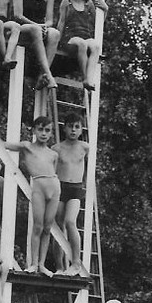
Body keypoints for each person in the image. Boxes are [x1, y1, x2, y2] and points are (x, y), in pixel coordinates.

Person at [5, 117, 60, 276]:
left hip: (54, 187)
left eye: (47, 130)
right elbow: (4, 145)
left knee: (48, 227)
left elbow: (53, 172)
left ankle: (42, 265)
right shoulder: (27, 146)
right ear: (34, 130)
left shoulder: (53, 154)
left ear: (50, 133)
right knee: (38, 226)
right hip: (38, 186)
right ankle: (33, 264)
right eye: (40, 129)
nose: (43, 133)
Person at [5, 0, 60, 90]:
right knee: (35, 29)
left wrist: (44, 26)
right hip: (22, 28)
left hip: (39, 29)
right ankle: (49, 73)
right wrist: (37, 25)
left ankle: (42, 75)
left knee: (55, 33)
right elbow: (18, 15)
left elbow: (50, 20)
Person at [55, 0, 108, 91]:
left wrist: (106, 10)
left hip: (86, 36)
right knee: (82, 44)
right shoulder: (66, 2)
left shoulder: (88, 4)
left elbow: (97, 23)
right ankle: (84, 77)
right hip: (71, 37)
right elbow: (62, 21)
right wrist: (57, 40)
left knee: (95, 46)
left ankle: (89, 78)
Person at [53, 111, 90, 276]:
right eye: (70, 127)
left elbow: (90, 168)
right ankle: (59, 266)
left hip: (76, 188)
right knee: (58, 226)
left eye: (77, 127)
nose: (73, 130)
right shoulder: (57, 148)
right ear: (65, 128)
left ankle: (76, 262)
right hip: (60, 187)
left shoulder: (85, 147)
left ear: (81, 130)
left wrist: (87, 185)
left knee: (70, 222)